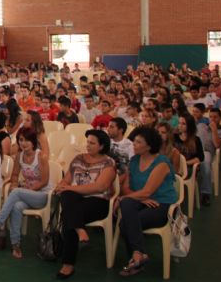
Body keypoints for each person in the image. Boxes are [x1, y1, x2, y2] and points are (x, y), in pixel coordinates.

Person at [0, 127, 51, 259]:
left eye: (27, 140)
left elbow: (44, 181)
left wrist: (23, 190)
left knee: (16, 192)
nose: (23, 143)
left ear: (33, 141)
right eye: (21, 140)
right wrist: (15, 183)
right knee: (17, 207)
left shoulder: (41, 156)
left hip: (42, 195)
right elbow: (15, 175)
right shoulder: (19, 156)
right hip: (26, 194)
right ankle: (15, 244)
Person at [116, 126, 178, 277]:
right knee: (127, 204)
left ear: (149, 146)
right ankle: (139, 255)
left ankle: (136, 256)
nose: (134, 145)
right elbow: (126, 187)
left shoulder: (161, 163)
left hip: (162, 204)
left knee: (125, 223)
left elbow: (148, 191)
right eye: (134, 141)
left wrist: (126, 197)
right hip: (142, 201)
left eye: (138, 142)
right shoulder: (134, 161)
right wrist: (137, 198)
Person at [54, 129, 116, 279]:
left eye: (92, 143)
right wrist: (61, 186)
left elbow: (99, 187)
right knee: (68, 196)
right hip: (75, 199)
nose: (88, 145)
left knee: (68, 212)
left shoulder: (108, 163)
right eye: (87, 142)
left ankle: (68, 264)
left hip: (98, 201)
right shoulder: (78, 159)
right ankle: (80, 230)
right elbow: (66, 180)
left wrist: (69, 188)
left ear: (101, 146)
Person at [195, 107, 221, 206]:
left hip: (206, 152)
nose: (212, 119)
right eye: (210, 117)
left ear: (220, 118)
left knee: (206, 165)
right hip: (194, 150)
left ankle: (205, 193)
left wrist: (214, 130)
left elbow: (217, 145)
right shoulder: (201, 126)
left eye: (215, 117)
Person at [107, 117, 134, 185]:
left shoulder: (130, 146)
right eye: (108, 126)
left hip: (121, 177)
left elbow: (131, 168)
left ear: (120, 130)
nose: (108, 129)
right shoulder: (106, 142)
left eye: (111, 127)